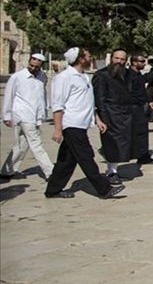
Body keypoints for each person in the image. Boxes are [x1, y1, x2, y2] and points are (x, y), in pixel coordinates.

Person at [45, 47, 125, 199]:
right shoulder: (64, 78)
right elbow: (57, 105)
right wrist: (57, 129)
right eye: (88, 56)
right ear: (80, 59)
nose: (90, 58)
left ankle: (53, 190)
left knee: (66, 160)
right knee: (86, 157)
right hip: (72, 124)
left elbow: (87, 102)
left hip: (82, 123)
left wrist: (97, 119)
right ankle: (104, 189)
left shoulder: (83, 76)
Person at [1, 53, 54, 180]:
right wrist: (6, 116)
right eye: (31, 65)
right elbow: (9, 96)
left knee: (22, 144)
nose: (33, 68)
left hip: (36, 115)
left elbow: (42, 94)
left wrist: (45, 111)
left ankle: (7, 170)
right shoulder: (17, 77)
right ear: (29, 62)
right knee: (36, 143)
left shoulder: (42, 76)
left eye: (36, 67)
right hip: (24, 115)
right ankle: (50, 172)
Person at [93, 49, 135, 185]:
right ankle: (111, 172)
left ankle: (114, 169)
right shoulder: (101, 75)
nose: (119, 62)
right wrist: (102, 117)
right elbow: (99, 98)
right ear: (111, 58)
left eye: (122, 59)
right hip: (110, 114)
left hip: (124, 114)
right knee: (112, 144)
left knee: (122, 145)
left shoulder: (128, 74)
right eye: (117, 58)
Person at [128, 53, 153, 165]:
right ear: (134, 62)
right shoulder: (129, 75)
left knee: (141, 133)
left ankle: (143, 155)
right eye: (141, 61)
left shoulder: (137, 74)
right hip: (133, 108)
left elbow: (142, 87)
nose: (144, 64)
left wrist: (148, 101)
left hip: (139, 107)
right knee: (134, 133)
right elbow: (132, 93)